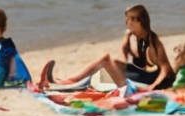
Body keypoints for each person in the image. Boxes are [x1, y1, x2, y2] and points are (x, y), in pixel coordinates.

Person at [33, 5, 173, 92]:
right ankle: (67, 81)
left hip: (147, 82)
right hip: (142, 75)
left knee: (105, 59)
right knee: (116, 63)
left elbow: (166, 69)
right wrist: (126, 42)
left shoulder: (154, 43)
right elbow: (129, 56)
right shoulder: (139, 38)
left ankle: (69, 81)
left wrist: (151, 88)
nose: (126, 22)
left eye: (130, 19)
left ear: (139, 21)